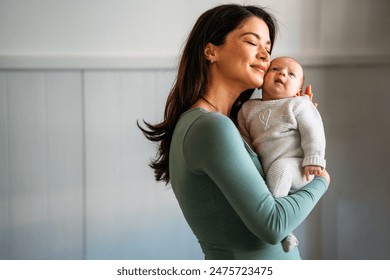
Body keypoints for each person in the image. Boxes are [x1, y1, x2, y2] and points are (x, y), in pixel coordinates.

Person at [138, 4, 330, 259]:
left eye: (268, 49)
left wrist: (290, 125)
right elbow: (272, 225)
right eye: (252, 42)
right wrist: (321, 181)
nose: (265, 56)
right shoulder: (212, 127)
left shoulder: (223, 124)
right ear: (210, 51)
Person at [237, 56, 326, 252]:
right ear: (262, 81)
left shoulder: (299, 104)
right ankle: (286, 233)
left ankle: (275, 220)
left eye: (291, 74)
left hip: (298, 168)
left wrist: (314, 158)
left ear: (298, 90)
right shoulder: (247, 109)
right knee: (272, 175)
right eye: (275, 69)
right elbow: (244, 139)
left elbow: (314, 130)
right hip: (269, 172)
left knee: (282, 167)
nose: (282, 73)